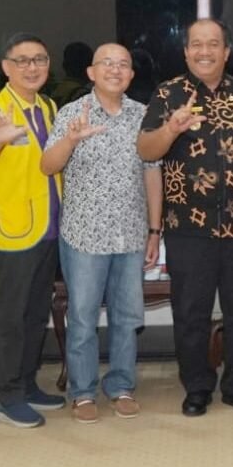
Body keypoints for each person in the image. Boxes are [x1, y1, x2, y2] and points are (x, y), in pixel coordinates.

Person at [138, 18, 233, 417]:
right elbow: (147, 151)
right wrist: (171, 129)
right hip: (187, 227)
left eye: (212, 44)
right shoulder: (168, 94)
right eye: (196, 44)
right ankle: (196, 387)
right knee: (191, 312)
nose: (204, 51)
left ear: (226, 51)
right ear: (185, 52)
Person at [41, 43, 162, 424]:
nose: (115, 70)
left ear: (131, 75)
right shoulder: (72, 114)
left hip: (130, 233)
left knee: (128, 316)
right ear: (91, 73)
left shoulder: (142, 116)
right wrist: (71, 140)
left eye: (123, 65)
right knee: (82, 316)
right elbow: (47, 165)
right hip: (84, 235)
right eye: (107, 63)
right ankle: (82, 391)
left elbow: (152, 172)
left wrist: (154, 230)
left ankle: (122, 385)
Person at [0, 32, 67, 428]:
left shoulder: (46, 106)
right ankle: (6, 396)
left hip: (47, 228)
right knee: (11, 316)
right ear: (6, 67)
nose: (32, 67)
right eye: (23, 60)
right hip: (12, 230)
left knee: (34, 313)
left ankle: (27, 384)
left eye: (40, 59)